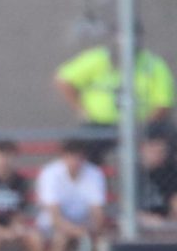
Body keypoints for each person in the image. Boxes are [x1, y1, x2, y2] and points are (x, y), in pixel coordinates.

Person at [55, 26, 174, 164]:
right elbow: (64, 80)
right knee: (81, 146)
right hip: (101, 125)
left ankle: (158, 183)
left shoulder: (153, 64)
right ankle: (95, 182)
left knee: (166, 140)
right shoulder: (98, 59)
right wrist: (81, 109)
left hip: (141, 125)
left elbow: (164, 103)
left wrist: (143, 127)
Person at [35, 139, 107, 251]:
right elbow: (54, 216)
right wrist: (76, 231)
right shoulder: (50, 174)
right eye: (71, 158)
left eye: (78, 158)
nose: (75, 162)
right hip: (53, 225)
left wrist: (92, 230)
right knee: (60, 240)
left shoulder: (94, 174)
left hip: (84, 224)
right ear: (63, 158)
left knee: (103, 241)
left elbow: (97, 212)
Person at [139, 122, 177, 232]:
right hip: (135, 223)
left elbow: (174, 203)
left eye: (162, 151)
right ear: (142, 148)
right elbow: (118, 208)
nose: (159, 155)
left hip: (163, 225)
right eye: (154, 150)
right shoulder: (130, 173)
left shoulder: (169, 172)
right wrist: (143, 218)